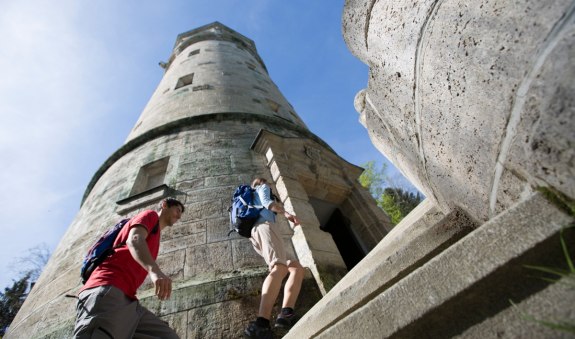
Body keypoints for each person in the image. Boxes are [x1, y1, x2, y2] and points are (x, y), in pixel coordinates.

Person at [74, 197, 185, 339]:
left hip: (129, 301)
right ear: (164, 205)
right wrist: (155, 271)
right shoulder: (149, 215)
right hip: (108, 287)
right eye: (177, 210)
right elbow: (134, 239)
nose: (179, 216)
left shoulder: (156, 237)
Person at [244, 178, 306, 339]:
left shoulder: (251, 197)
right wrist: (287, 213)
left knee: (296, 267)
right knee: (279, 267)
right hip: (265, 227)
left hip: (257, 233)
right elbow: (267, 202)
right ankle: (260, 324)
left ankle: (286, 314)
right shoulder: (262, 187)